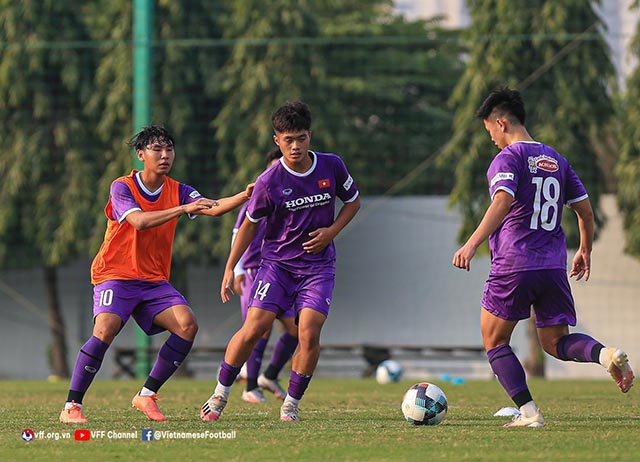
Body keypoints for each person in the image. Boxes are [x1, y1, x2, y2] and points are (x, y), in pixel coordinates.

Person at [452, 87, 634, 428]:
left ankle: (529, 413)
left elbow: (502, 201)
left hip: (514, 263)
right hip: (552, 265)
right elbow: (586, 212)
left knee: (494, 341)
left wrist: (471, 243)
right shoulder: (557, 160)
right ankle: (605, 354)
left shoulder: (508, 159)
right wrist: (585, 250)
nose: (491, 138)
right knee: (556, 342)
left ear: (501, 123)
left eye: (489, 130)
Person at [59, 125, 253, 423]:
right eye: (156, 149)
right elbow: (138, 221)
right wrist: (182, 208)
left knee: (187, 325)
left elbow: (212, 208)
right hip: (115, 273)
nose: (165, 155)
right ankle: (72, 406)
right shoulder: (122, 186)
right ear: (141, 155)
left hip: (152, 280)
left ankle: (147, 395)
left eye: (169, 149)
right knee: (106, 329)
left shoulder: (179, 190)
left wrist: (245, 195)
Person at [200, 101, 360, 422]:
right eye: (288, 139)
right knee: (255, 328)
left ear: (309, 136)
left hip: (318, 267)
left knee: (309, 333)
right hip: (277, 267)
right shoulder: (268, 182)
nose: (296, 145)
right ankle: (221, 393)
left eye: (301, 138)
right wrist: (231, 266)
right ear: (277, 140)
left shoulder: (331, 166)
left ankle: (291, 403)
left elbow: (353, 203)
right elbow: (248, 225)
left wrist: (331, 232)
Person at [232, 148, 299, 403]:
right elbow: (238, 234)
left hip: (281, 269)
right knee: (258, 329)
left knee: (296, 329)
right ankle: (250, 386)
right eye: (272, 168)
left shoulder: (293, 196)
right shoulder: (258, 197)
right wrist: (236, 270)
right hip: (253, 270)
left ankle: (269, 375)